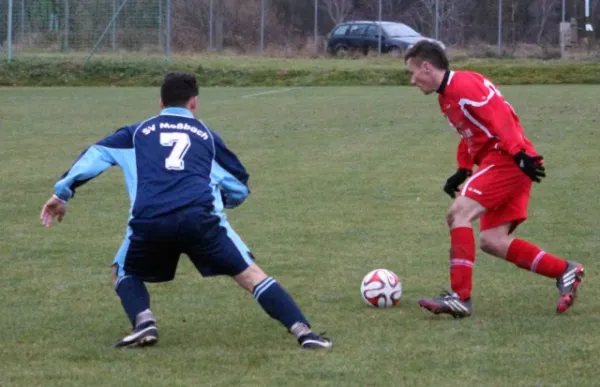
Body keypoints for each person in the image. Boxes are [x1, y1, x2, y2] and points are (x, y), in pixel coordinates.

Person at [40, 71, 333, 349]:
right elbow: (239, 186)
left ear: (161, 103)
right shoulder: (207, 136)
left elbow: (95, 155)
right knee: (250, 275)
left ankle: (143, 322)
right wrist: (224, 201)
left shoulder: (136, 133)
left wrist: (62, 194)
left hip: (150, 220)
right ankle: (304, 333)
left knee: (123, 271)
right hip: (200, 219)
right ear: (194, 103)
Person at [403, 41, 584, 318]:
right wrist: (463, 169)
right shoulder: (447, 95)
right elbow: (470, 133)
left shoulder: (463, 85)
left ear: (427, 67)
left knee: (458, 214)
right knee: (492, 240)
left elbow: (500, 116)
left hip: (507, 159)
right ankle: (564, 271)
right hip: (503, 160)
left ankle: (460, 298)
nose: (412, 80)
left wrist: (519, 153)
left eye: (412, 72)